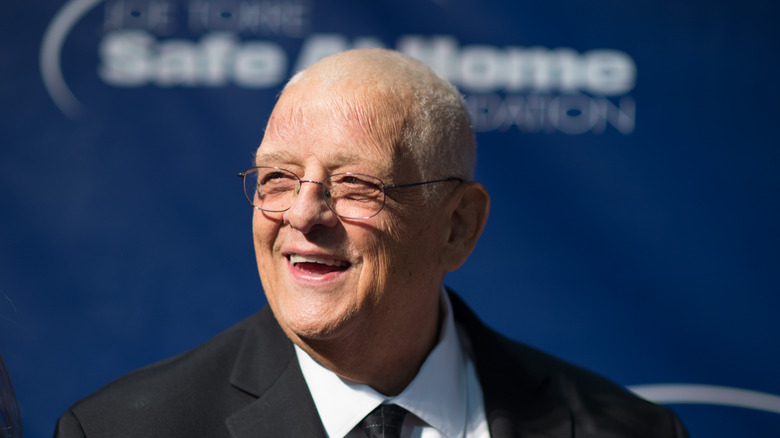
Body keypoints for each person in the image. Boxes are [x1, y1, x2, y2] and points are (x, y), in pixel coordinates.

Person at [55, 48, 687, 437]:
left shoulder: (629, 431)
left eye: (356, 185)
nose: (303, 215)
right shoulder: (123, 430)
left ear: (457, 225)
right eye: (276, 178)